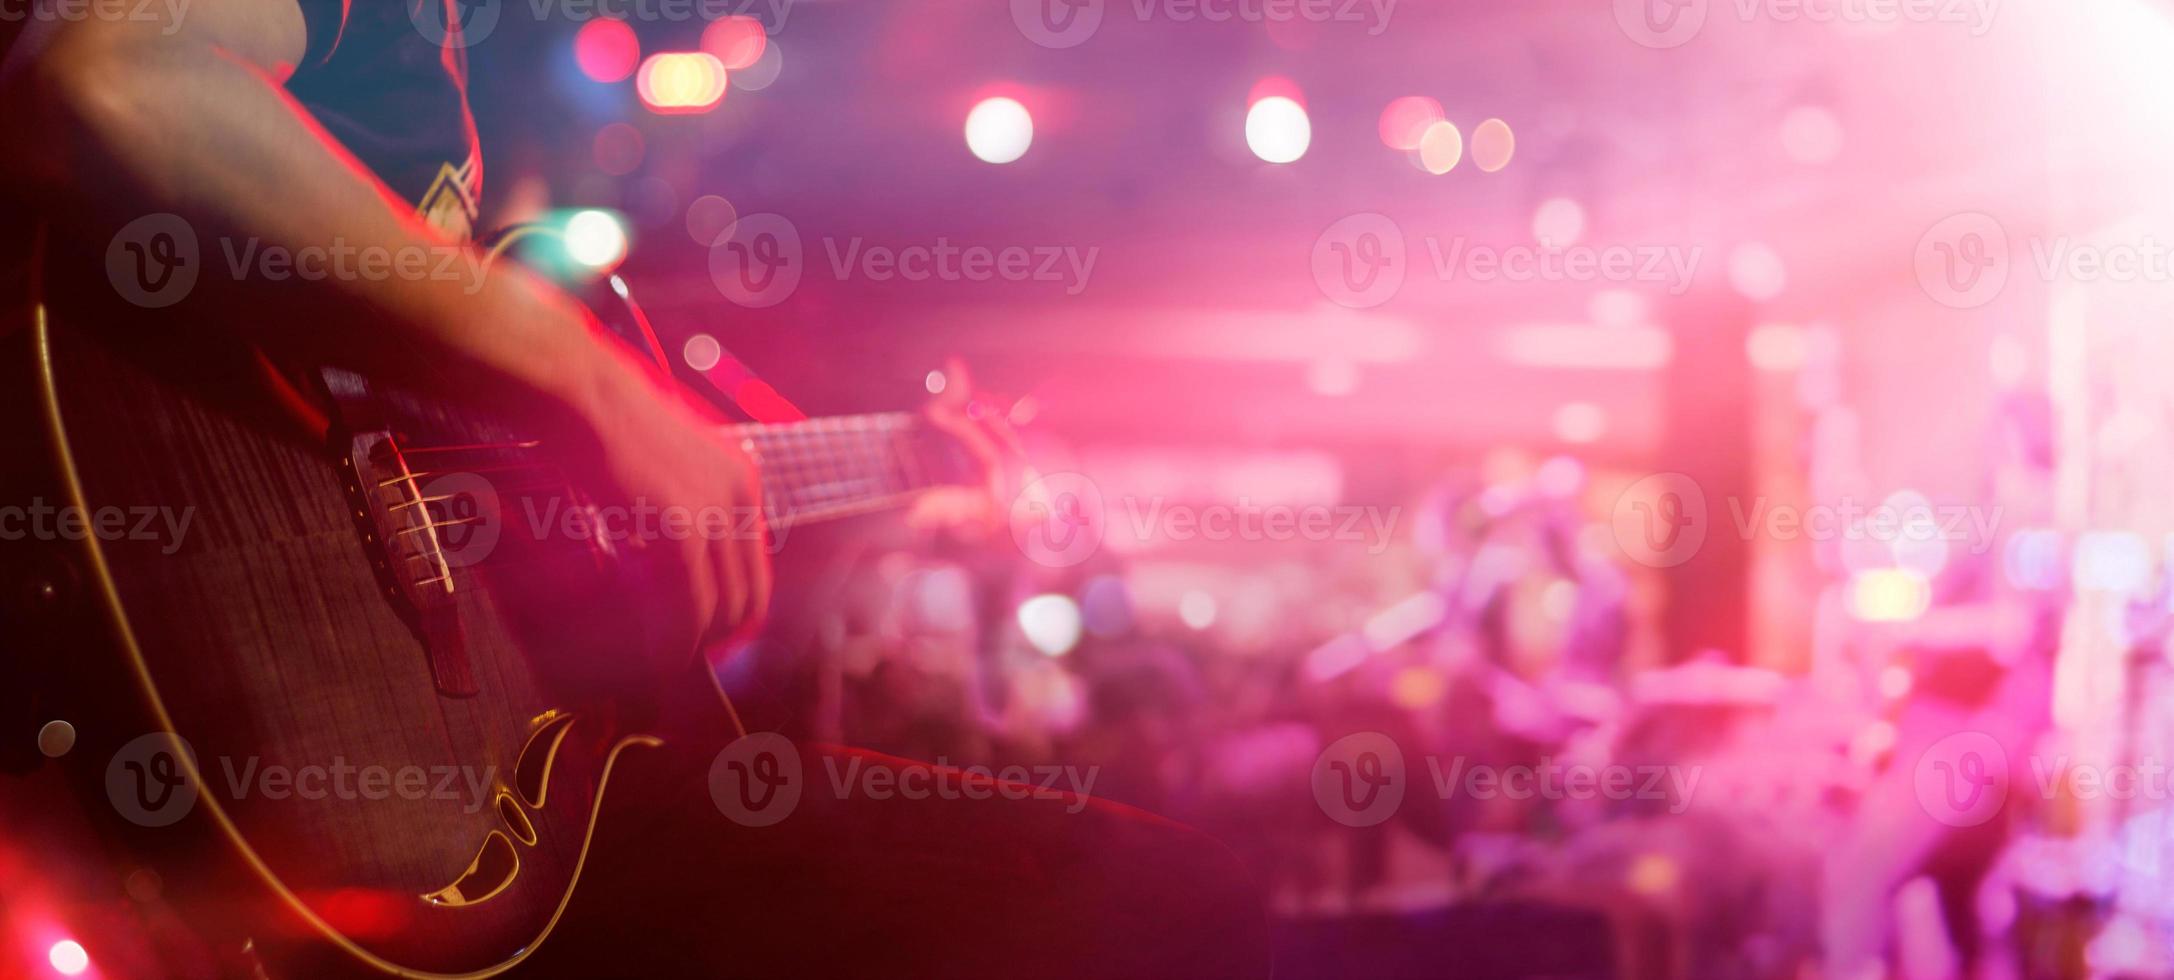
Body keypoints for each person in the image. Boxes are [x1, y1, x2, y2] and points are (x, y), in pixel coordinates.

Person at [0, 3, 1267, 975]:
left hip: (456, 809)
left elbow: (570, 600)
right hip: (257, 748)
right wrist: (591, 384)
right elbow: (106, 75)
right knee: (1164, 900)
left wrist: (814, 518)